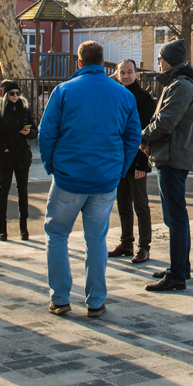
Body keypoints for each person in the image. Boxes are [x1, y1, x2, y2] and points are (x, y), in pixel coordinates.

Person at [37, 40, 140, 318]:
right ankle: (95, 300)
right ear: (102, 61)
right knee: (96, 239)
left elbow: (46, 134)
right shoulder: (122, 94)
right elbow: (133, 137)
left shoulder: (64, 91)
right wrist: (119, 169)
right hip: (105, 178)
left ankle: (60, 298)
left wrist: (52, 166)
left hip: (69, 177)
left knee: (57, 234)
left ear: (79, 63)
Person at [141, 39, 193, 293]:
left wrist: (142, 137)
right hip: (171, 155)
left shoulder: (181, 86)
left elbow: (164, 123)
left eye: (160, 58)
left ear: (169, 60)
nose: (158, 62)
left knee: (174, 218)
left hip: (173, 158)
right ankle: (180, 267)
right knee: (177, 216)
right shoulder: (177, 84)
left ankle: (177, 275)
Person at [109, 59, 156, 265]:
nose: (126, 76)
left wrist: (142, 164)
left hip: (136, 161)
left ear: (136, 74)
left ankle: (144, 247)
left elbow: (146, 134)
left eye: (130, 72)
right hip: (119, 160)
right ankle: (126, 243)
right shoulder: (114, 94)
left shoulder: (144, 98)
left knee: (141, 204)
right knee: (123, 204)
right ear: (117, 74)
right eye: (122, 72)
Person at [0, 79, 35, 241]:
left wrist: (29, 134)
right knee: (4, 190)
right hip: (6, 155)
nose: (16, 96)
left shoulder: (24, 109)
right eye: (12, 93)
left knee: (22, 190)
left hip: (22, 154)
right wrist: (2, 147)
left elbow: (34, 129)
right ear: (5, 95)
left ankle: (23, 228)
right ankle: (2, 228)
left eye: (17, 93)